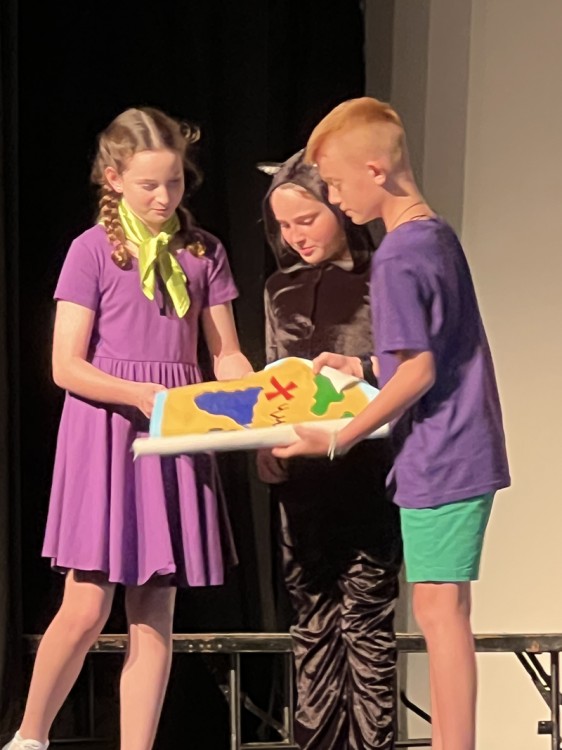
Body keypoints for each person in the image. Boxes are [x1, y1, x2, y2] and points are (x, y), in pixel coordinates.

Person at [3, 106, 252, 750]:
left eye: (174, 182)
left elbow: (224, 352)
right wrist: (136, 393)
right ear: (113, 179)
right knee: (86, 604)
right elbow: (65, 365)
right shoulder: (91, 251)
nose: (164, 197)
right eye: (149, 185)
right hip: (106, 432)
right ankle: (30, 736)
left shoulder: (203, 252)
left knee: (155, 611)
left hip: (173, 433)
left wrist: (252, 396)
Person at [272, 98, 511, 750]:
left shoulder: (399, 256)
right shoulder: (433, 233)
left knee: (439, 614)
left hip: (442, 452)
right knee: (443, 610)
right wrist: (360, 362)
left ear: (375, 171)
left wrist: (337, 436)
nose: (336, 198)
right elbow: (433, 346)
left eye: (337, 184)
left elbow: (418, 372)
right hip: (461, 445)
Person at [258, 150, 402, 750]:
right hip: (302, 481)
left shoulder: (384, 275)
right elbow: (276, 380)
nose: (296, 236)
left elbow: (403, 371)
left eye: (307, 220)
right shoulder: (279, 288)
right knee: (312, 621)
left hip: (368, 471)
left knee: (366, 621)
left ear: (338, 208)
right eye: (284, 226)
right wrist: (265, 446)